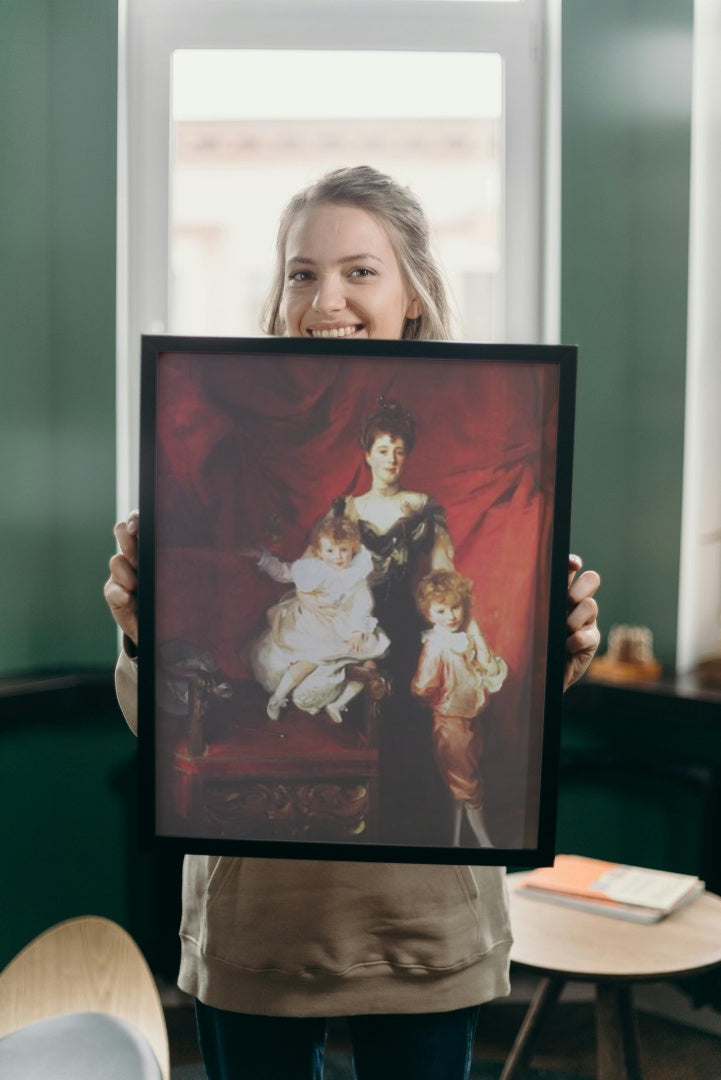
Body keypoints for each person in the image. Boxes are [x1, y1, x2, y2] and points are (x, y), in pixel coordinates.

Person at [105, 165, 601, 1080]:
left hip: (421, 923)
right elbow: (158, 722)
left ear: (412, 291)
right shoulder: (269, 472)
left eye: (359, 271)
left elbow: (480, 656)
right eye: (301, 272)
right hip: (259, 924)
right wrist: (141, 631)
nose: (324, 297)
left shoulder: (447, 497)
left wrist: (554, 645)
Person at [243, 511, 389, 724]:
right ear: (319, 552)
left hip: (344, 627)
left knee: (370, 663)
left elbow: (362, 604)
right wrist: (263, 559)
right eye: (331, 550)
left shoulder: (356, 574)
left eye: (343, 550)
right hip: (313, 625)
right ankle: (277, 698)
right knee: (311, 659)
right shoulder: (312, 568)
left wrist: (358, 630)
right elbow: (284, 573)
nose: (338, 556)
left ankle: (338, 703)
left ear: (353, 549)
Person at [411, 569, 507, 849]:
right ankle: (485, 844)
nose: (451, 616)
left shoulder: (463, 639)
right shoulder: (435, 646)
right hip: (450, 722)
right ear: (428, 614)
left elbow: (488, 669)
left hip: (470, 720)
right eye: (441, 610)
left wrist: (475, 634)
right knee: (467, 785)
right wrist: (434, 699)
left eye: (455, 607)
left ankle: (455, 843)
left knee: (462, 787)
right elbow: (422, 685)